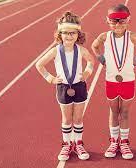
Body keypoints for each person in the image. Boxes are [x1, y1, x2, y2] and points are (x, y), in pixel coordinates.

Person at [91, 4, 136, 159]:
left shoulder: (133, 36)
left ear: (128, 20)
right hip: (111, 80)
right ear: (107, 21)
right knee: (113, 111)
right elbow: (94, 46)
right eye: (113, 21)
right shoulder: (104, 37)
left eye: (122, 21)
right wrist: (101, 58)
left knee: (125, 112)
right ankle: (114, 141)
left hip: (128, 80)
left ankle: (124, 142)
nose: (117, 25)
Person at [35, 11, 94, 161]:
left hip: (79, 87)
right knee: (67, 119)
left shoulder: (81, 50)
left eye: (73, 33)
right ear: (60, 34)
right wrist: (50, 78)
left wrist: (87, 73)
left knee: (78, 118)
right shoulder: (55, 51)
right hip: (63, 88)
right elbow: (39, 64)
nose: (69, 36)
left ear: (78, 34)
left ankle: (78, 143)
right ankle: (67, 144)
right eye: (66, 33)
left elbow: (91, 61)